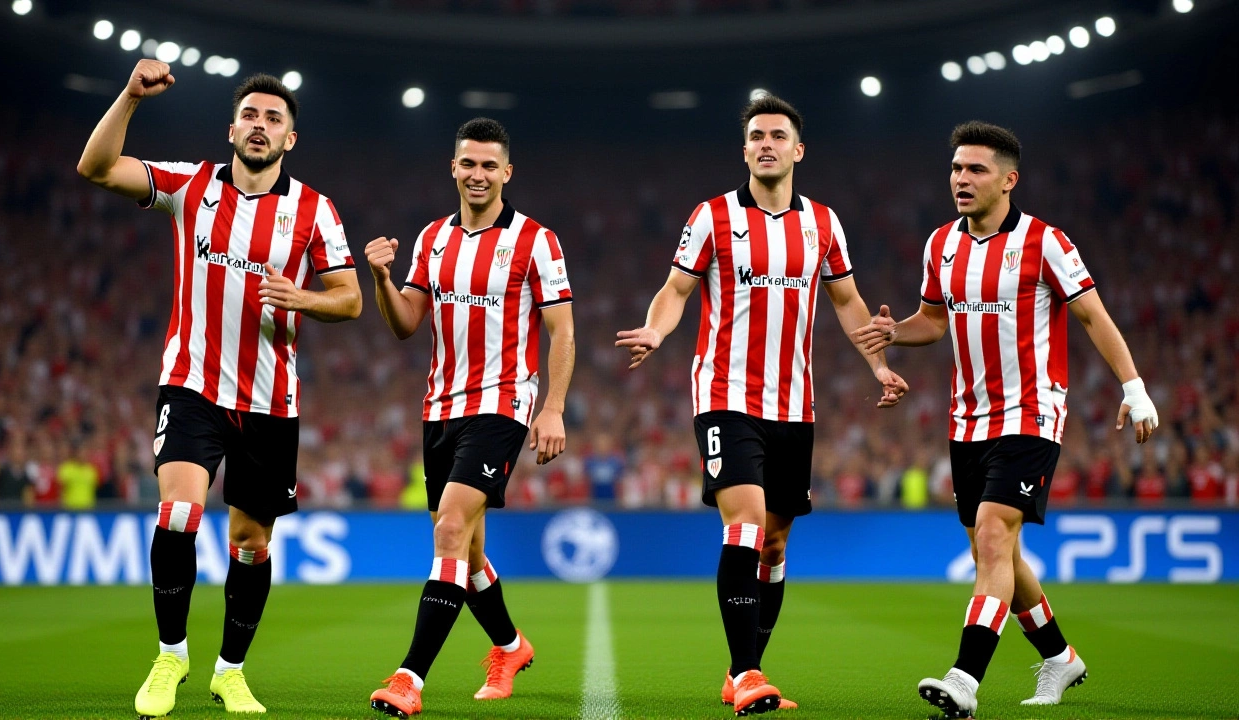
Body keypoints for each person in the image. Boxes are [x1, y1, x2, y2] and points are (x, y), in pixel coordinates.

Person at [77, 60, 362, 717]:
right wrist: (127, 96)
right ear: (231, 127)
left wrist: (302, 298)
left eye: (274, 119)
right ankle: (170, 655)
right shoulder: (192, 185)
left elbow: (349, 301)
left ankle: (229, 671)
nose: (260, 126)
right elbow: (95, 168)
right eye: (252, 115)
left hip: (270, 399)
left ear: (290, 139)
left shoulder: (314, 211)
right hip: (192, 384)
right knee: (178, 512)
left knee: (251, 543)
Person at [851, 120, 1158, 718]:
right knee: (997, 554)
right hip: (967, 419)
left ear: (1009, 180)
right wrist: (895, 332)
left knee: (993, 537)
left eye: (976, 170)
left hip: (1032, 411)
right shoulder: (941, 244)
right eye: (956, 170)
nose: (960, 180)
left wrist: (1135, 387)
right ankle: (1060, 656)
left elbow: (1093, 317)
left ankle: (964, 678)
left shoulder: (1047, 243)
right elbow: (933, 322)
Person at [616, 94, 908, 716]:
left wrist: (879, 365)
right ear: (744, 148)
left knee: (774, 545)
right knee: (744, 524)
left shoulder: (824, 223)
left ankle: (743, 669)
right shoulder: (713, 217)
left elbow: (848, 301)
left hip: (794, 404)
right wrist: (657, 331)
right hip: (725, 396)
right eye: (756, 136)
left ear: (798, 150)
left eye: (778, 135)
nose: (766, 144)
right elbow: (676, 289)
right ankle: (748, 673)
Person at [364, 117, 575, 718]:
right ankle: (510, 646)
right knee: (469, 553)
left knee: (450, 530)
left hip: (503, 404)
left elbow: (561, 330)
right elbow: (406, 323)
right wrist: (381, 278)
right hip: (440, 407)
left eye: (490, 165)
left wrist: (553, 407)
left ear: (507, 173)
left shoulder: (537, 240)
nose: (478, 174)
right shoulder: (432, 239)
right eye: (468, 163)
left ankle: (409, 679)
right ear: (452, 168)